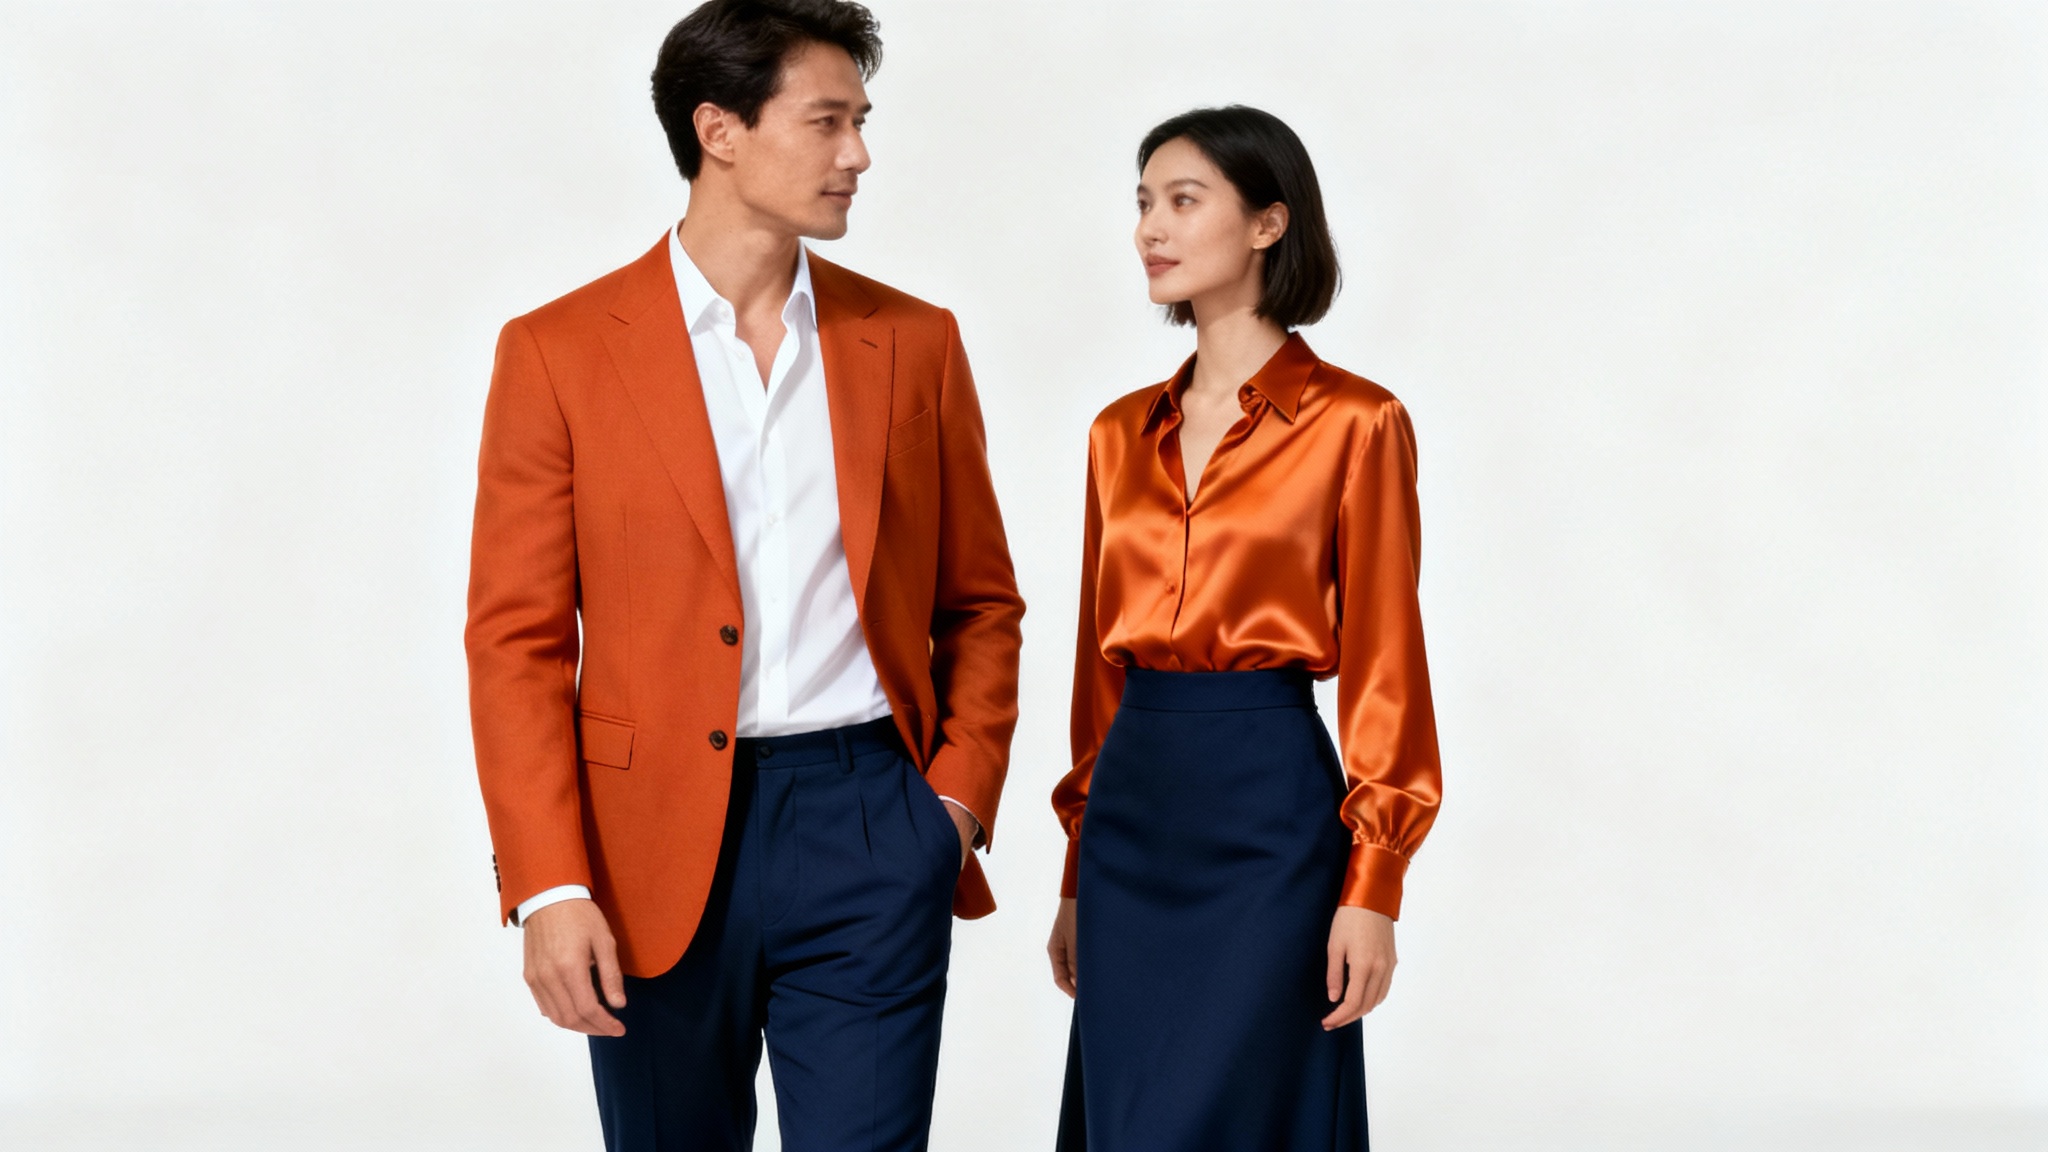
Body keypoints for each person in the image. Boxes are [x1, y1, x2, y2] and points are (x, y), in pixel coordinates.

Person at [464, 3, 1025, 1149]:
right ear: (717, 129)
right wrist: (550, 885)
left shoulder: (914, 343)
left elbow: (979, 601)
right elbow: (515, 641)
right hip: (644, 844)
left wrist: (952, 808)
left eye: (860, 122)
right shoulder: (558, 352)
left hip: (871, 822)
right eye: (826, 122)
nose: (857, 154)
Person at [1046, 105, 1443, 1150]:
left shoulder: (1357, 423)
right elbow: (1097, 674)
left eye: (1182, 201)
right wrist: (1075, 873)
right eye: (1141, 203)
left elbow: (1386, 666)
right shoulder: (1115, 434)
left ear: (1267, 224)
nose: (1149, 229)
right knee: (1132, 1117)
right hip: (1132, 818)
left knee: (1245, 1110)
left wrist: (1373, 887)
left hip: (1270, 817)